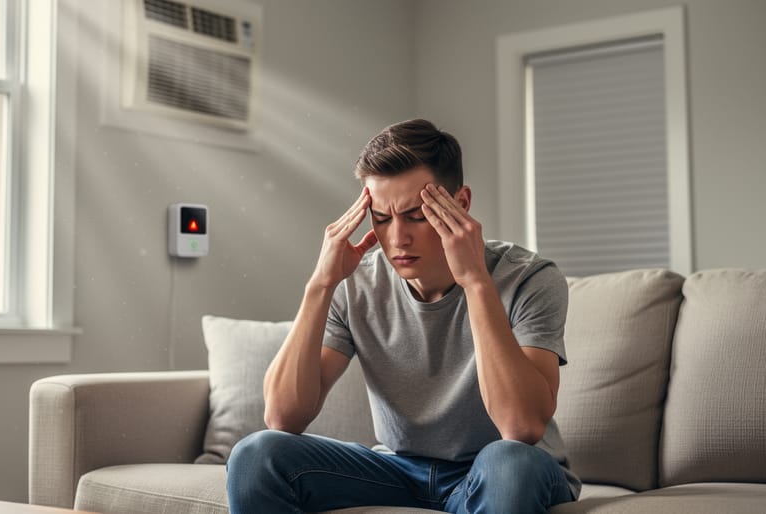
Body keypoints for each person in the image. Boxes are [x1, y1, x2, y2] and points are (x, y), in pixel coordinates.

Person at [227, 119, 580, 513]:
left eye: (415, 215)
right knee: (257, 455)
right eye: (381, 218)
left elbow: (522, 428)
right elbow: (282, 416)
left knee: (510, 462)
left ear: (460, 205)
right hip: (398, 469)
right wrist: (320, 286)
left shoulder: (530, 278)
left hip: (500, 469)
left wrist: (476, 282)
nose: (397, 238)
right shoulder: (355, 283)